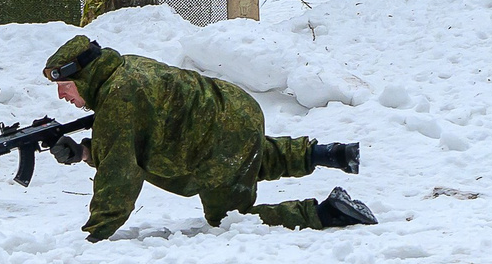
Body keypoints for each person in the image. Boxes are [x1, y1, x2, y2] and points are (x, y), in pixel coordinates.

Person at [43, 33, 375, 243]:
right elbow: (134, 140)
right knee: (246, 157)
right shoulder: (124, 70)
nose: (61, 95)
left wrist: (95, 236)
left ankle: (327, 213)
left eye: (65, 86)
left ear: (84, 78)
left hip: (218, 136)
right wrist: (84, 152)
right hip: (232, 112)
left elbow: (120, 172)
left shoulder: (119, 96)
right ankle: (330, 154)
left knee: (230, 220)